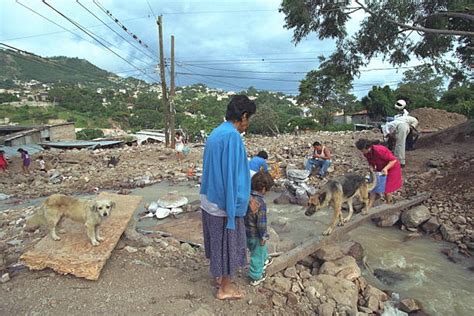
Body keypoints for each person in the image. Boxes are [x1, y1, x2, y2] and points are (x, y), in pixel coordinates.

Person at [200, 95, 257, 300]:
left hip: (209, 197)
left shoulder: (216, 132)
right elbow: (233, 176)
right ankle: (225, 288)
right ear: (243, 116)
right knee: (229, 244)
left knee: (217, 242)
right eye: (248, 119)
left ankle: (219, 277)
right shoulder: (232, 136)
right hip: (223, 202)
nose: (247, 124)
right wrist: (241, 202)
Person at [245, 171, 274, 286]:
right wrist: (263, 235)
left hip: (245, 232)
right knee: (257, 254)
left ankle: (266, 259)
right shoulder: (260, 203)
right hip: (256, 234)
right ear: (263, 189)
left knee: (257, 250)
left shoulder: (247, 198)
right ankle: (255, 276)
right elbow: (261, 223)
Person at [355, 139, 403, 206]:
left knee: (387, 189)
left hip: (391, 168)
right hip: (380, 168)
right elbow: (371, 162)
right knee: (374, 186)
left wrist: (386, 168)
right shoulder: (366, 153)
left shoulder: (379, 150)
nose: (362, 152)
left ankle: (389, 205)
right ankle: (369, 205)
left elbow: (393, 160)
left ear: (367, 148)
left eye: (362, 150)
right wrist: (371, 167)